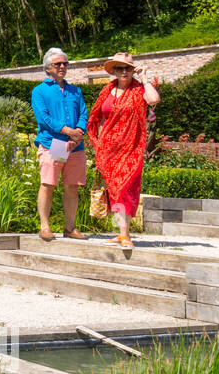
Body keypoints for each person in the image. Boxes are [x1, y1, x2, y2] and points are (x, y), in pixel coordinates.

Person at [87, 52, 161, 250]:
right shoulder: (106, 91)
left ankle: (125, 234)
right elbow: (98, 119)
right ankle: (121, 233)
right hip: (108, 149)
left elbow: (153, 99)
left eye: (127, 68)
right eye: (119, 68)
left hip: (131, 148)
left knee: (126, 188)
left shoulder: (139, 90)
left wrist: (144, 77)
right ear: (114, 71)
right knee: (114, 191)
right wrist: (99, 145)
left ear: (132, 70)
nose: (124, 71)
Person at [30, 48, 90, 241]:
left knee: (72, 186)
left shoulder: (75, 90)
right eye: (58, 64)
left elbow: (83, 113)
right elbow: (44, 118)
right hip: (55, 144)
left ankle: (70, 228)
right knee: (49, 184)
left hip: (76, 146)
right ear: (48, 67)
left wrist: (78, 133)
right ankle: (45, 226)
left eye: (65, 63)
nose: (63, 67)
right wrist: (68, 132)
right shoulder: (40, 91)